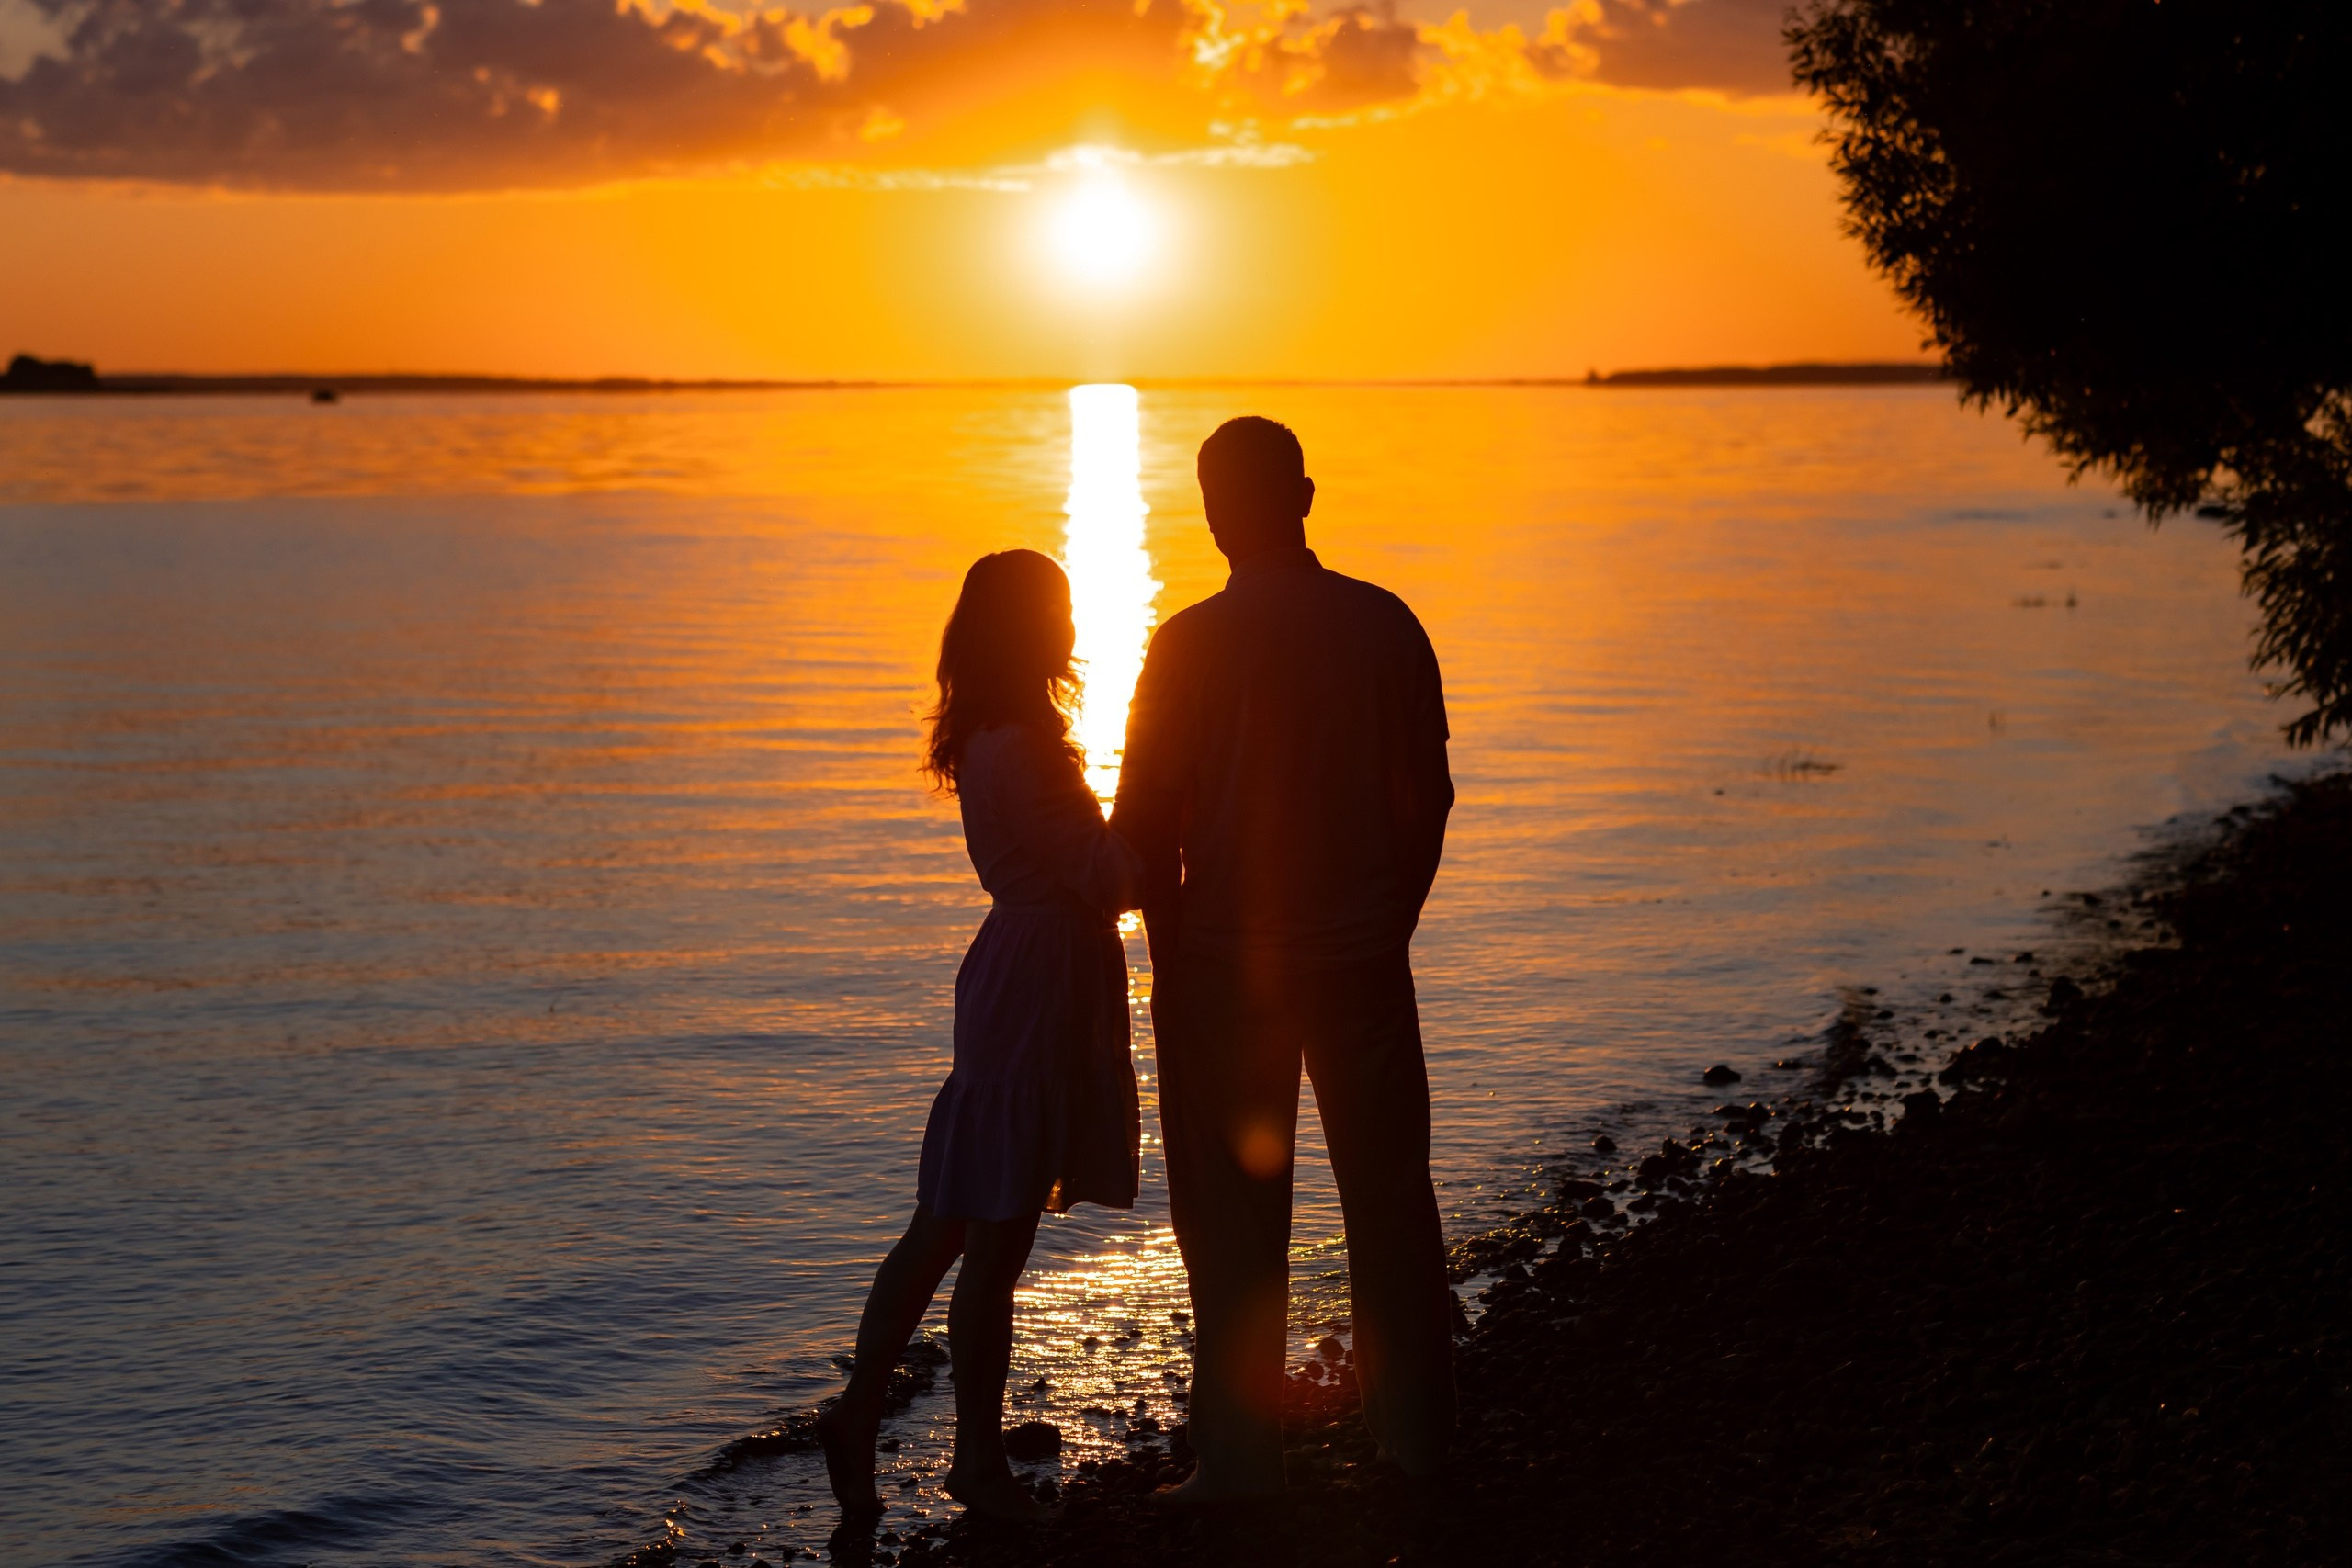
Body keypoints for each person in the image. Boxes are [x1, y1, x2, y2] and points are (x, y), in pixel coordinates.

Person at [1113, 416, 1457, 1501]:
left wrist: (1171, 955)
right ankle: (1414, 1438)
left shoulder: (1186, 644)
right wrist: (1391, 916)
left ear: (1215, 510)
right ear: (1303, 497)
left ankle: (1240, 1462)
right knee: (1391, 1202)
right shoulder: (1386, 625)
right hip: (1361, 952)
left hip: (1225, 968)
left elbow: (1140, 827)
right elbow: (1429, 800)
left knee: (1233, 1219)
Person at [818, 549, 1142, 1524]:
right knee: (989, 1240)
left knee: (953, 1221)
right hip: (1036, 982)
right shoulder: (1027, 748)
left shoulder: (996, 735)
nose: (1075, 627)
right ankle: (970, 1461)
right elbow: (1105, 874)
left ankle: (865, 1415)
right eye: (1062, 610)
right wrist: (1167, 805)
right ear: (1028, 628)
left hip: (1018, 971)